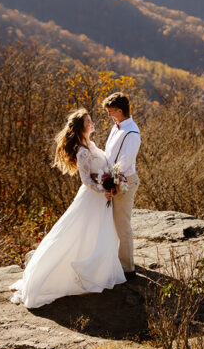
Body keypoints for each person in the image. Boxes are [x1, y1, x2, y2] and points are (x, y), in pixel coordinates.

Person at [8, 108, 125, 308]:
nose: (93, 123)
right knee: (77, 234)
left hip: (102, 199)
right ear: (81, 127)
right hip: (92, 197)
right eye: (89, 121)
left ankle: (99, 270)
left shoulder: (92, 145)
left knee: (100, 234)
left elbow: (105, 167)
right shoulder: (82, 151)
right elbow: (86, 180)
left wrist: (113, 181)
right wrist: (104, 188)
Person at [101, 92, 141, 280]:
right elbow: (110, 155)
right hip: (113, 178)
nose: (108, 115)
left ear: (120, 110)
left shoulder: (131, 132)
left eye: (111, 111)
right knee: (112, 223)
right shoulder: (116, 127)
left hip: (124, 181)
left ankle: (128, 268)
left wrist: (113, 182)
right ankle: (117, 261)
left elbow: (124, 162)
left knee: (122, 224)